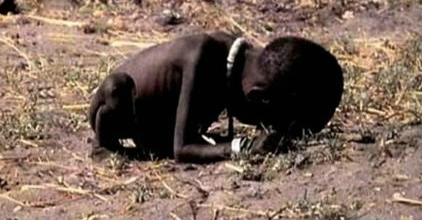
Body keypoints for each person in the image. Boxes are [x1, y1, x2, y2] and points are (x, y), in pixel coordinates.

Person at [88, 31, 344, 163]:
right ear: (258, 98)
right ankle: (102, 147)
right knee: (116, 90)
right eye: (270, 120)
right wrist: (242, 147)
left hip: (157, 127)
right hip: (122, 111)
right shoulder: (203, 57)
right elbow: (182, 149)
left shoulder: (241, 61)